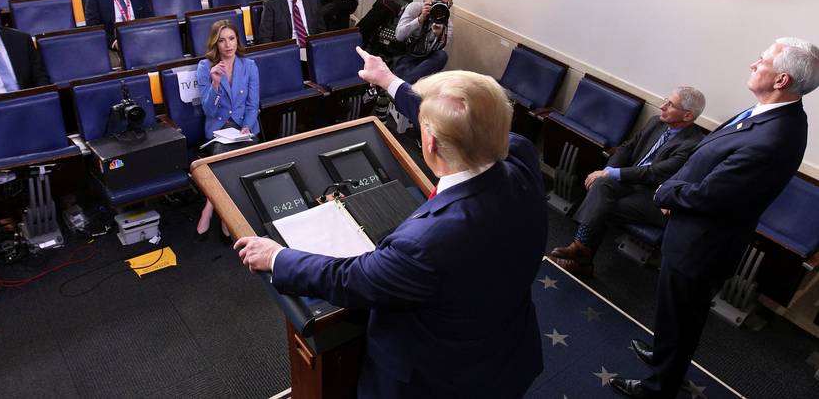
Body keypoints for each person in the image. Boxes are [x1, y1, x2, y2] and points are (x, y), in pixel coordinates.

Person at [236, 47, 547, 398]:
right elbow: (460, 123)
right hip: (505, 353)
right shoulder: (519, 156)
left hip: (437, 381)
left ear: (428, 142)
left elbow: (350, 279)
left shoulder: (428, 241)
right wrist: (389, 81)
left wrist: (277, 257)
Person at [609, 38, 818, 399]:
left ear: (781, 80)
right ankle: (663, 355)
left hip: (702, 244)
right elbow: (705, 160)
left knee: (683, 316)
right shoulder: (768, 113)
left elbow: (712, 194)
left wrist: (664, 193)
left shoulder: (774, 136)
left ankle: (659, 387)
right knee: (674, 312)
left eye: (762, 60)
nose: (754, 64)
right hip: (693, 229)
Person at [548, 87, 706, 277]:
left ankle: (581, 255)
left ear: (688, 116)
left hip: (655, 199)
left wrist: (612, 173)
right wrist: (606, 171)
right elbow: (626, 148)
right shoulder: (656, 122)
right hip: (631, 184)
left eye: (670, 104)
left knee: (602, 206)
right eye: (666, 100)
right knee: (602, 186)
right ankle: (581, 253)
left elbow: (653, 173)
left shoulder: (693, 144)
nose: (662, 106)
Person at [195, 20, 259, 240]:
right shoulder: (206, 67)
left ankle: (212, 207)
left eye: (231, 38)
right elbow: (208, 110)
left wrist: (247, 127)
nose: (228, 44)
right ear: (215, 43)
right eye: (221, 40)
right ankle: (225, 214)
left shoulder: (249, 65)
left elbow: (253, 105)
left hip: (244, 127)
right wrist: (215, 83)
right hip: (218, 127)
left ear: (237, 40)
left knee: (237, 155)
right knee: (223, 153)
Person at [390, 0, 456, 83]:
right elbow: (399, 35)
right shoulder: (415, 8)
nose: (441, 6)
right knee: (405, 68)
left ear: (450, 5)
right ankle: (407, 82)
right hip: (406, 53)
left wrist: (439, 35)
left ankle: (403, 84)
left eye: (446, 3)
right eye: (439, 1)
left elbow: (438, 51)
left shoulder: (447, 23)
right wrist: (419, 20)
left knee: (442, 55)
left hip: (424, 59)